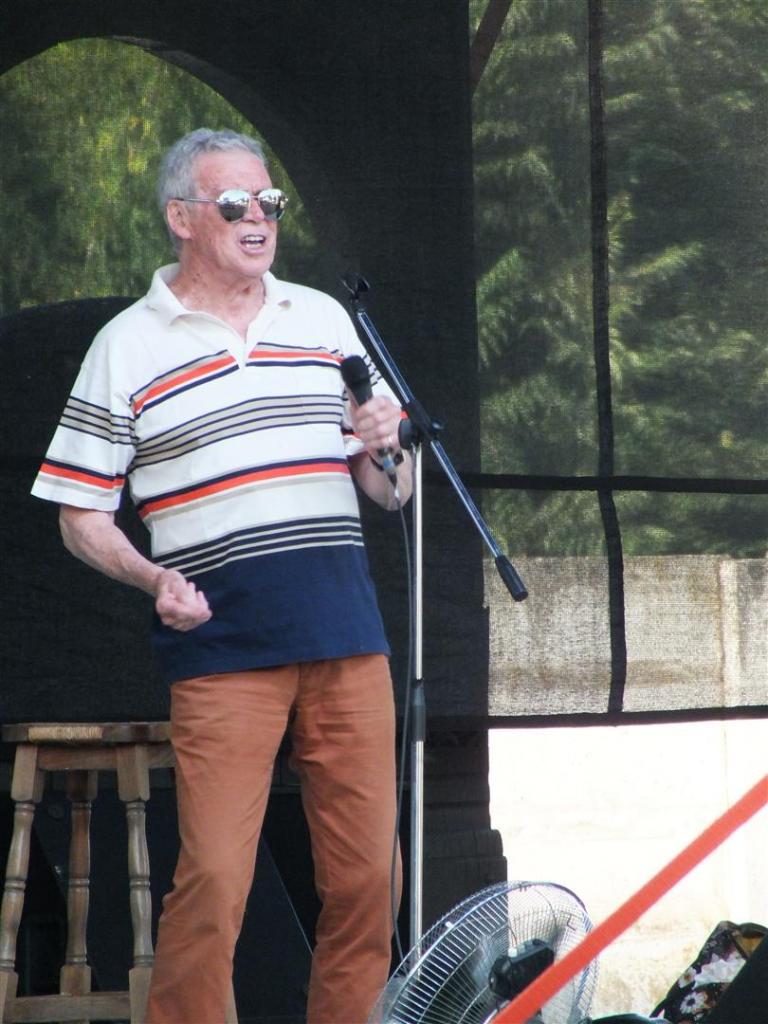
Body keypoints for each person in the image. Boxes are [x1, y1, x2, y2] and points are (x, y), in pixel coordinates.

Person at [31, 127, 412, 1024]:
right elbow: (80, 514)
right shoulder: (127, 344)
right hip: (223, 646)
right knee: (213, 882)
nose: (259, 218)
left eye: (269, 202)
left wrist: (389, 447)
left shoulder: (324, 320)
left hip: (345, 635)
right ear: (182, 219)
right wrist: (151, 578)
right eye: (235, 202)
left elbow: (387, 491)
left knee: (369, 879)